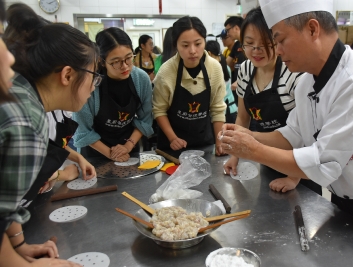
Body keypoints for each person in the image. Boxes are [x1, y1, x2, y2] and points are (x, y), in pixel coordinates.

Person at [219, 0, 353, 242]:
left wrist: (253, 150)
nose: (278, 50)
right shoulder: (306, 82)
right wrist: (246, 137)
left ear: (313, 29)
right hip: (342, 198)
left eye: (280, 40)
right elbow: (291, 134)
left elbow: (324, 160)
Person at [1, 3, 98, 266]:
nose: (93, 87)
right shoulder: (27, 123)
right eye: (94, 76)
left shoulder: (20, 92)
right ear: (67, 74)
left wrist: (18, 246)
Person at [222, 7, 319, 194]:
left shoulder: (293, 73)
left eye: (266, 43)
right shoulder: (245, 70)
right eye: (249, 43)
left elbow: (305, 134)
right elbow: (243, 118)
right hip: (266, 158)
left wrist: (293, 177)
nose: (256, 51)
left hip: (299, 166)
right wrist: (236, 154)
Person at [73, 27, 153, 162]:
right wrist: (113, 154)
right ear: (102, 61)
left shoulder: (141, 79)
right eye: (116, 62)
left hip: (128, 146)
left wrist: (127, 146)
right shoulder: (89, 82)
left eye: (129, 58)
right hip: (95, 152)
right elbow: (82, 130)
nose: (125, 66)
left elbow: (145, 119)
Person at [152, 16, 226, 154]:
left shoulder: (214, 68)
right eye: (185, 45)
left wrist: (220, 142)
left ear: (204, 41)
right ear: (176, 45)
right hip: (172, 146)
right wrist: (173, 138)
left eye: (198, 44)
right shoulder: (166, 72)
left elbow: (217, 109)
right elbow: (159, 110)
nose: (192, 50)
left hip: (204, 144)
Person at [205, 40, 238, 124]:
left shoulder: (212, 69)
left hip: (220, 113)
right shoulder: (226, 67)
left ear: (209, 53)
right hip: (232, 109)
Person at [223, 16, 245, 104]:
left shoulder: (250, 43)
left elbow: (256, 66)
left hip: (246, 85)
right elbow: (226, 63)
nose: (227, 34)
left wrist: (241, 81)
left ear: (236, 28)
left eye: (228, 30)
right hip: (235, 87)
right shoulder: (237, 45)